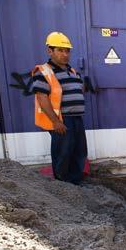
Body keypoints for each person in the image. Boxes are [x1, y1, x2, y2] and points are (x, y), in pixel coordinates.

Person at [29, 32, 87, 185]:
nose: (65, 54)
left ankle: (76, 183)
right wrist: (55, 122)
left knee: (79, 152)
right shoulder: (43, 71)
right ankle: (63, 185)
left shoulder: (73, 72)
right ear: (50, 51)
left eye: (67, 50)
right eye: (60, 50)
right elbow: (42, 97)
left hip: (76, 118)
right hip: (62, 120)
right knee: (63, 152)